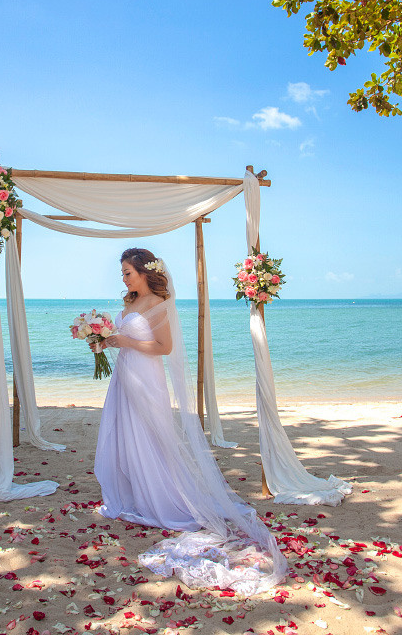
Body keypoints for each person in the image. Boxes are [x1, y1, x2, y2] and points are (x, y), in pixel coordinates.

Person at [93, 247, 286, 595]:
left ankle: (165, 498)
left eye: (128, 272)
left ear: (144, 272)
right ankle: (137, 494)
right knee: (124, 434)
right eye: (122, 273)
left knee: (152, 436)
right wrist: (105, 342)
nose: (123, 278)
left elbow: (163, 348)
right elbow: (125, 340)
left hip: (145, 376)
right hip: (124, 374)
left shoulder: (158, 305)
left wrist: (125, 340)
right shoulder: (130, 303)